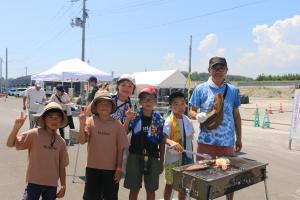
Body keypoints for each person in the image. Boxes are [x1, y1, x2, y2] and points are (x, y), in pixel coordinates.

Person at [189, 56, 242, 200]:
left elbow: (236, 115)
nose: (218, 71)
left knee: (229, 177)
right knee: (203, 175)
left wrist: (239, 138)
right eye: (215, 68)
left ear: (226, 70)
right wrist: (197, 115)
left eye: (221, 68)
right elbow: (191, 110)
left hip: (227, 142)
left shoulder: (233, 90)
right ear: (209, 70)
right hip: (206, 142)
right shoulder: (200, 89)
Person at [6, 102, 69, 200]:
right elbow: (10, 144)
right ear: (44, 119)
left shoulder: (61, 142)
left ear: (61, 121)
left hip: (51, 185)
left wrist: (64, 185)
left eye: (57, 117)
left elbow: (62, 166)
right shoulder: (34, 134)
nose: (54, 120)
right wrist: (16, 128)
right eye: (50, 116)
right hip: (33, 183)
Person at [78, 90, 129, 200]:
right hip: (92, 168)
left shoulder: (117, 124)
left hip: (111, 170)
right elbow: (82, 141)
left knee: (110, 197)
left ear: (112, 107)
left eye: (107, 103)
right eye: (100, 103)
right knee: (91, 197)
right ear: (95, 107)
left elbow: (121, 148)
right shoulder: (90, 121)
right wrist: (82, 124)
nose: (104, 106)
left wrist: (119, 168)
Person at [123, 86, 165, 200]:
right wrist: (127, 119)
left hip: (153, 157)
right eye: (145, 99)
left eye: (151, 99)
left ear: (155, 102)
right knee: (134, 188)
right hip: (135, 155)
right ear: (140, 102)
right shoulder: (134, 116)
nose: (148, 102)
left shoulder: (159, 119)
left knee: (151, 190)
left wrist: (161, 161)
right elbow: (124, 132)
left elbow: (162, 142)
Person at [163, 91, 195, 200]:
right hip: (173, 159)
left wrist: (192, 157)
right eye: (176, 104)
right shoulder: (169, 121)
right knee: (170, 184)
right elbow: (164, 138)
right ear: (171, 106)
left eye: (182, 103)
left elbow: (190, 140)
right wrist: (172, 142)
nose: (180, 107)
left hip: (187, 158)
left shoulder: (188, 120)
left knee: (184, 185)